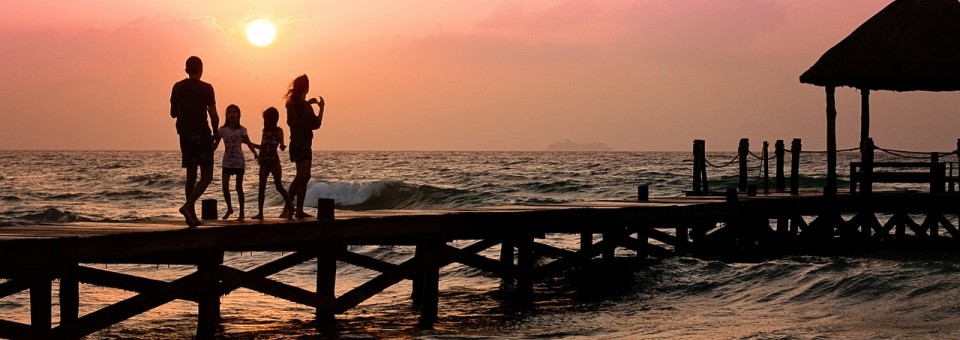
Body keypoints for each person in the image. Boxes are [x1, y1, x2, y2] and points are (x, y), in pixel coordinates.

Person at [170, 56, 220, 228]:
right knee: (207, 176)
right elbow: (214, 116)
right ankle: (187, 206)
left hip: (184, 135)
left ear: (186, 70)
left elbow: (173, 113)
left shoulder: (177, 87)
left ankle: (190, 217)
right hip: (202, 134)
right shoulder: (207, 88)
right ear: (202, 69)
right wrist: (216, 134)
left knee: (191, 175)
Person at [284, 75, 324, 219]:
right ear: (306, 87)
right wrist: (322, 108)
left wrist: (308, 103)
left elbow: (297, 117)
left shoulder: (291, 104)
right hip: (303, 144)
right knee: (301, 176)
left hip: (296, 143)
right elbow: (316, 124)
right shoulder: (303, 106)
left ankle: (298, 209)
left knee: (305, 176)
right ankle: (288, 208)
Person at [214, 104, 259, 221]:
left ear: (239, 115)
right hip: (227, 162)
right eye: (229, 112)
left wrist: (255, 153)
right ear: (226, 115)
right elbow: (215, 144)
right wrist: (209, 151)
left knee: (238, 187)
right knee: (224, 186)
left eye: (234, 112)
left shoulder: (242, 130)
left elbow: (248, 143)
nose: (232, 114)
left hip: (239, 161)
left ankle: (242, 213)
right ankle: (229, 208)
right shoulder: (222, 130)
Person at [252, 107, 293, 220]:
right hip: (264, 162)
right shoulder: (264, 131)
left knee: (279, 186)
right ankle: (260, 213)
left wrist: (282, 146)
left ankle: (290, 206)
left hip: (274, 161)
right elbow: (263, 147)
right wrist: (250, 144)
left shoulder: (279, 131)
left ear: (273, 119)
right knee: (261, 187)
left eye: (267, 119)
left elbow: (282, 145)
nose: (265, 122)